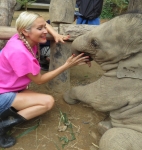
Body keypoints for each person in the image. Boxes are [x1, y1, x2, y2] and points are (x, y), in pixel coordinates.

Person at [0, 11, 89, 148]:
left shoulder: (21, 37)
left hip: (6, 85)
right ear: (26, 31)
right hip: (2, 93)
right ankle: (3, 126)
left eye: (44, 27)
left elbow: (45, 26)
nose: (44, 31)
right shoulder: (20, 52)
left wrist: (55, 34)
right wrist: (67, 65)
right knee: (47, 102)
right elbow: (40, 80)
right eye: (40, 28)